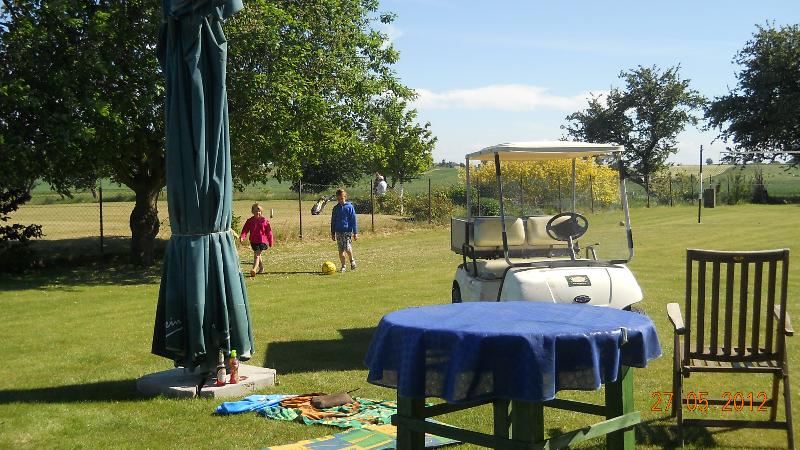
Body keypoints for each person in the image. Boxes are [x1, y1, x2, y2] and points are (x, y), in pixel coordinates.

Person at [240, 202, 273, 277]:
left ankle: (254, 269)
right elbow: (245, 230)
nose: (258, 213)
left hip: (261, 241)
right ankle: (261, 268)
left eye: (259, 211)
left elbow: (269, 232)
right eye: (256, 211)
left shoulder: (264, 221)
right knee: (258, 255)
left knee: (256, 255)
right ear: (252, 212)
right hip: (253, 241)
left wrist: (270, 241)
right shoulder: (249, 221)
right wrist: (242, 237)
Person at [330, 188, 358, 273]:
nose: (340, 200)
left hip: (347, 231)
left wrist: (355, 232)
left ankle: (352, 260)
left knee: (347, 248)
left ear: (345, 197)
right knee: (341, 250)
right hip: (338, 231)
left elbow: (353, 220)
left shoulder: (349, 207)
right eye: (338, 199)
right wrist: (333, 232)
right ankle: (343, 266)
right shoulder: (336, 208)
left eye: (341, 198)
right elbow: (333, 221)